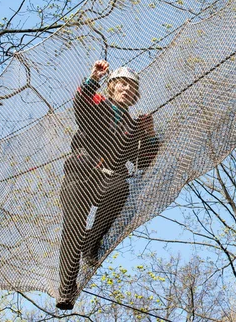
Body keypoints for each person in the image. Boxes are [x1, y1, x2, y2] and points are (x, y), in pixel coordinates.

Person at [56, 60, 159, 310]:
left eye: (132, 88)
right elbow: (81, 103)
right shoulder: (98, 106)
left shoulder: (133, 126)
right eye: (123, 84)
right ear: (112, 87)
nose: (127, 89)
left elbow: (143, 161)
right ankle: (66, 290)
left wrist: (149, 134)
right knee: (73, 230)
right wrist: (94, 78)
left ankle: (92, 242)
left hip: (107, 179)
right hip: (80, 175)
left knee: (121, 187)